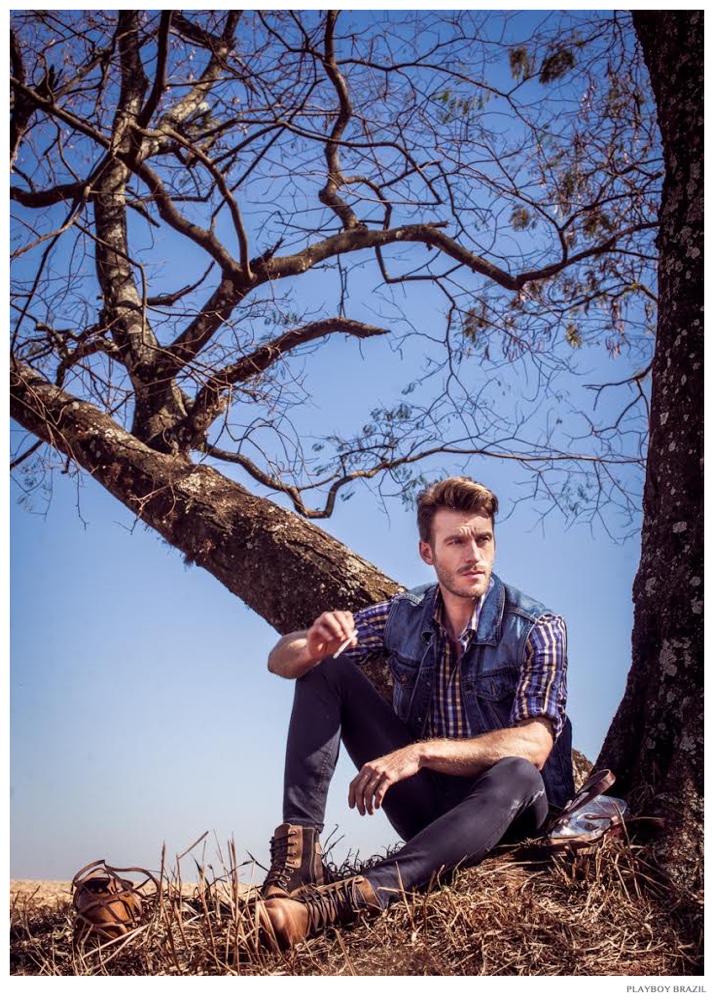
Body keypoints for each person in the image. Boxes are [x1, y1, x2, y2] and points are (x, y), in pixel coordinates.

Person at [255, 477, 574, 950]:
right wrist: (312, 647)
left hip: (510, 814)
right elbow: (279, 660)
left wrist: (420, 753)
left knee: (519, 771)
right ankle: (300, 861)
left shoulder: (537, 628)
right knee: (326, 669)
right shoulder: (404, 614)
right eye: (456, 542)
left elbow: (536, 744)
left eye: (483, 539)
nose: (474, 555)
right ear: (428, 552)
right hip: (429, 810)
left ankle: (346, 901)